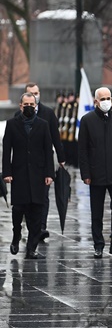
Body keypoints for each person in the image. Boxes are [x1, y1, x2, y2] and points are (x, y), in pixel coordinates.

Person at [78, 87, 112, 258]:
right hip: (96, 173)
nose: (107, 101)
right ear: (96, 102)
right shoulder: (87, 120)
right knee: (96, 211)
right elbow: (82, 149)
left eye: (109, 98)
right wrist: (85, 173)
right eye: (103, 98)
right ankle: (98, 244)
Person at [3, 93, 54, 259]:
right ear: (20, 106)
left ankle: (32, 247)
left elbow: (48, 151)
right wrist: (7, 173)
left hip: (38, 175)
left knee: (36, 212)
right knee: (18, 210)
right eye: (26, 104)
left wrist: (49, 174)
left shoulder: (43, 125)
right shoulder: (11, 124)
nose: (29, 107)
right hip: (19, 174)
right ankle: (16, 235)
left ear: (36, 106)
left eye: (32, 104)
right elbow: (6, 151)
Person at [25, 83, 66, 241]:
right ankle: (32, 225)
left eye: (36, 92)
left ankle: (41, 226)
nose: (34, 95)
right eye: (31, 93)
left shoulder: (48, 113)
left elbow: (56, 137)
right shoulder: (19, 114)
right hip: (27, 162)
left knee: (43, 195)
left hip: (44, 161)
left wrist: (61, 159)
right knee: (28, 196)